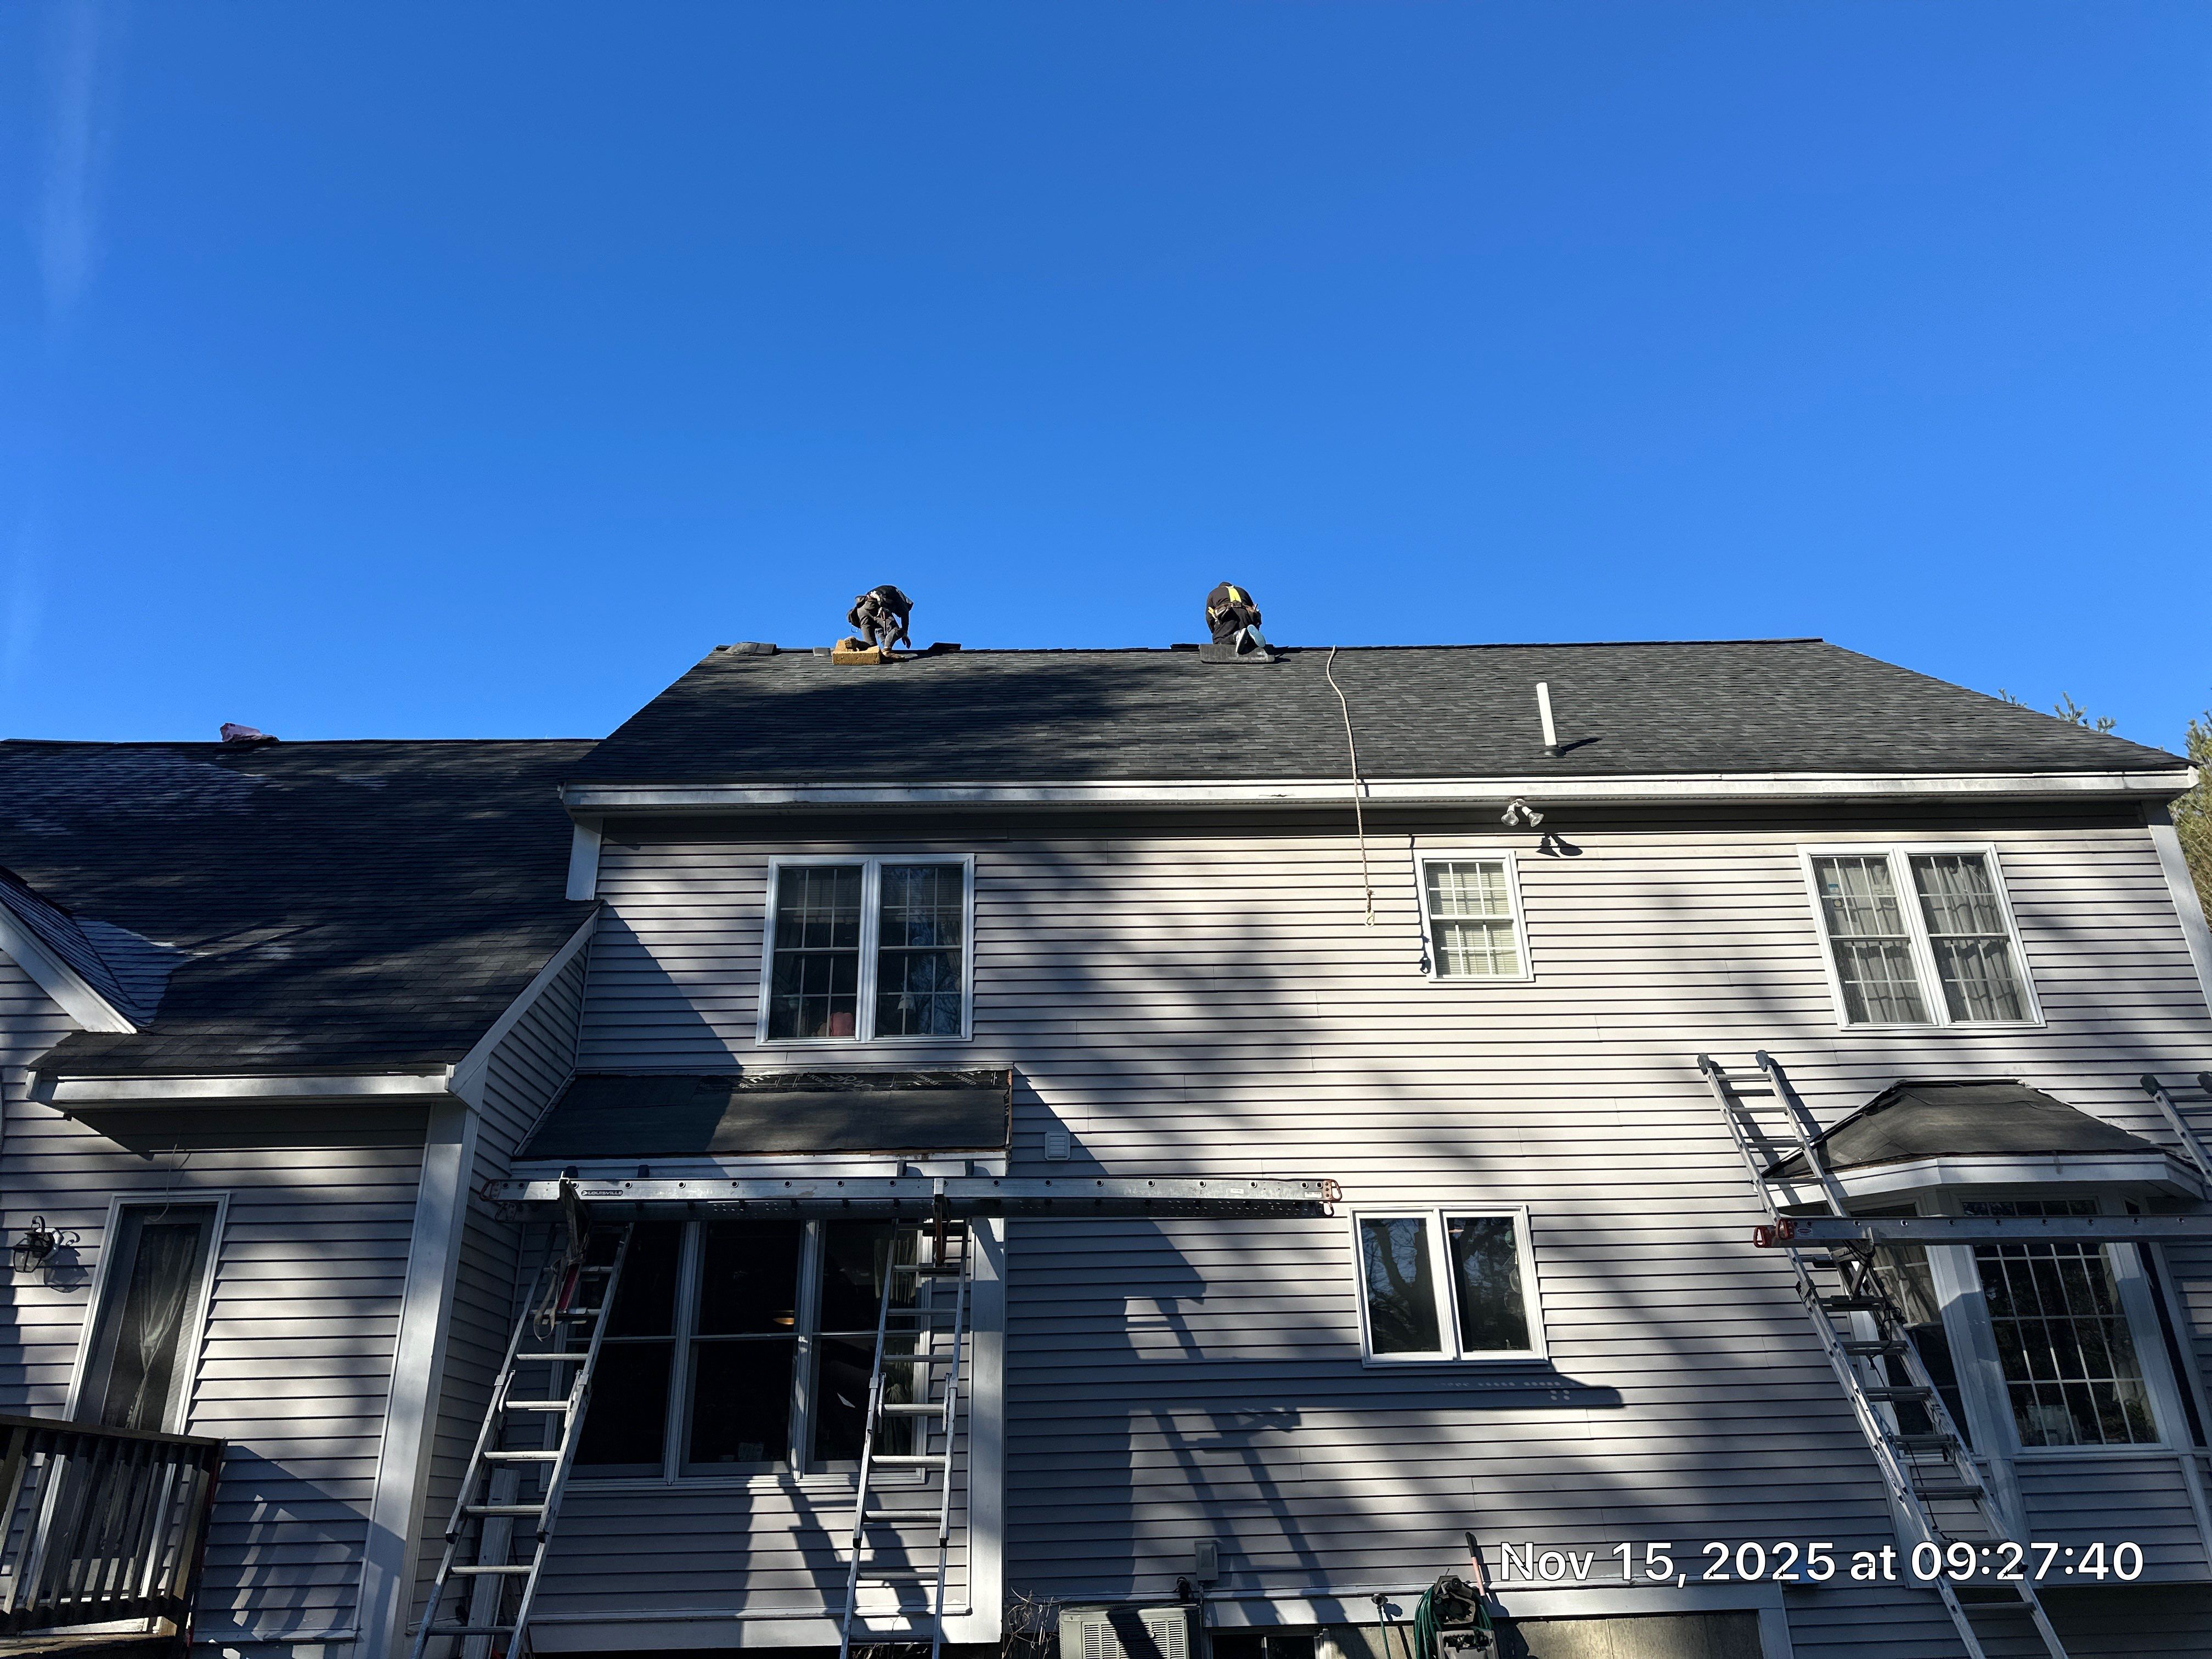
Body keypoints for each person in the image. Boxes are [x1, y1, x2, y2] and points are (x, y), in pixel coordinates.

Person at [1204, 582, 1275, 659]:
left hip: (1228, 615)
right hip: (1247, 615)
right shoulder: (1243, 591)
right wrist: (1256, 626)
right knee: (1245, 639)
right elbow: (1253, 608)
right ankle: (1251, 639)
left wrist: (1214, 629)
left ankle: (1236, 636)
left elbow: (1209, 615)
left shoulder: (1215, 592)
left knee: (1219, 641)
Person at [847, 585, 913, 651]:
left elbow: (880, 630)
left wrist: (885, 646)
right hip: (875, 606)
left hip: (861, 610)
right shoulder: (900, 598)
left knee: (871, 646)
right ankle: (887, 651)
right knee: (896, 630)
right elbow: (905, 613)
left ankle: (855, 643)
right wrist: (905, 634)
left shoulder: (888, 593)